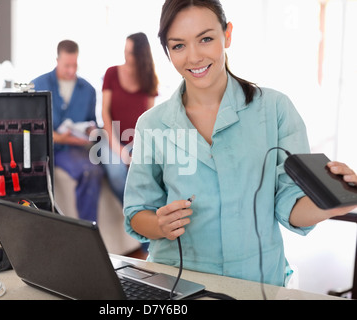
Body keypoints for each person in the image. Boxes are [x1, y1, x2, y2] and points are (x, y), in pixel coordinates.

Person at [123, 0, 357, 287]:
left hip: (255, 279)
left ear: (228, 34)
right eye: (178, 45)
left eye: (206, 39)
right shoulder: (152, 123)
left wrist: (331, 204)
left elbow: (290, 204)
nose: (194, 57)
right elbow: (136, 212)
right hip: (175, 281)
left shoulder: (275, 109)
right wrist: (159, 224)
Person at [32, 40, 104, 222]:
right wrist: (56, 137)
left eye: (75, 65)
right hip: (44, 149)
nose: (71, 70)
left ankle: (89, 229)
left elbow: (91, 121)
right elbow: (30, 125)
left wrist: (89, 131)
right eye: (67, 65)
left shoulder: (88, 90)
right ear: (57, 60)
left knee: (92, 171)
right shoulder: (37, 84)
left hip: (74, 149)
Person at [100, 32, 158, 203]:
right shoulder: (111, 73)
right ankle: (133, 213)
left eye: (131, 52)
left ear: (141, 55)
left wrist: (138, 151)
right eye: (125, 50)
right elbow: (105, 113)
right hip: (111, 138)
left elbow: (150, 120)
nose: (126, 55)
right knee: (117, 173)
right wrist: (120, 151)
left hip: (137, 142)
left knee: (149, 174)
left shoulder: (149, 79)